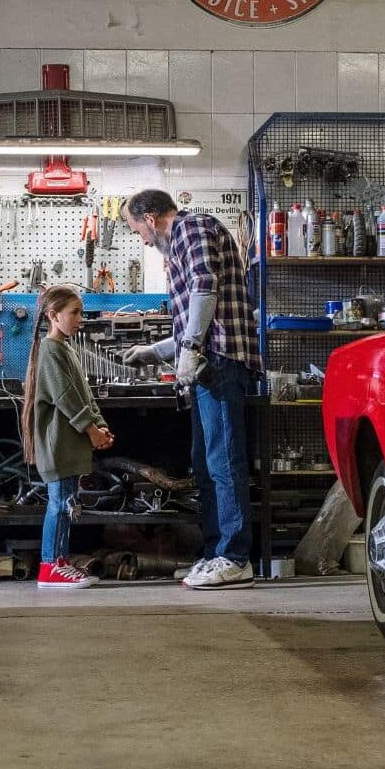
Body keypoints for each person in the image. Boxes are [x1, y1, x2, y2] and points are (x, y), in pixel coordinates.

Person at [119, 189, 261, 590]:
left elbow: (204, 289)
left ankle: (235, 557)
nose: (142, 240)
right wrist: (155, 351)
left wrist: (192, 349)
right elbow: (192, 320)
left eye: (137, 230)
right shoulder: (181, 244)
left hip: (219, 362)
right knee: (205, 464)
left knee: (223, 461)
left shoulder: (191, 228)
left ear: (150, 218)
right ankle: (217, 554)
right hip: (206, 364)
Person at [23, 284, 114, 588]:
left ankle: (59, 563)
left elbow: (84, 394)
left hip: (70, 444)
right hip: (59, 445)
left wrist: (99, 426)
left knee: (66, 504)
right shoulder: (50, 350)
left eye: (81, 313)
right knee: (60, 504)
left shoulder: (65, 349)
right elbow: (66, 397)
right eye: (74, 313)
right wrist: (91, 429)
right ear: (53, 315)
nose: (80, 319)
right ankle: (50, 566)